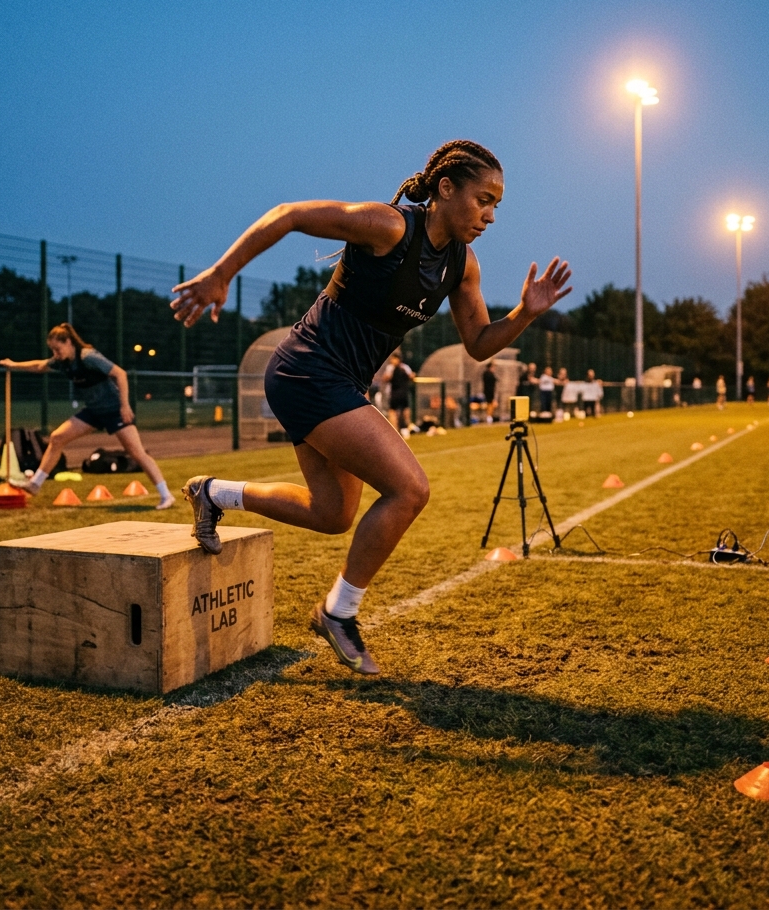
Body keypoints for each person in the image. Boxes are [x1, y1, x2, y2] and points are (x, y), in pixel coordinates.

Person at [170, 140, 571, 675]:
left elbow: (477, 342)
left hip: (336, 384)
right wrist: (222, 273)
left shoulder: (462, 264)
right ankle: (339, 613)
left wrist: (524, 311)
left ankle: (212, 493)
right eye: (484, 199)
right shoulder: (389, 228)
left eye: (497, 204)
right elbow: (289, 215)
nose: (490, 215)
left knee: (333, 514)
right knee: (410, 489)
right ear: (446, 189)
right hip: (306, 370)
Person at [0, 323, 176, 508]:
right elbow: (39, 366)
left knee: (137, 453)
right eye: (52, 350)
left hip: (114, 409)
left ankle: (166, 496)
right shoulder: (62, 362)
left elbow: (120, 374)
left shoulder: (88, 357)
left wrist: (124, 406)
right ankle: (35, 484)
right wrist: (13, 365)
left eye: (57, 349)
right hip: (94, 411)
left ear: (68, 342)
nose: (55, 354)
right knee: (57, 437)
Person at [382, 352, 414, 433]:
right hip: (403, 392)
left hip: (395, 392)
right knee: (405, 410)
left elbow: (386, 378)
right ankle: (406, 428)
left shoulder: (391, 368)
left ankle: (395, 430)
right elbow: (412, 376)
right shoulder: (405, 367)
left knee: (393, 411)